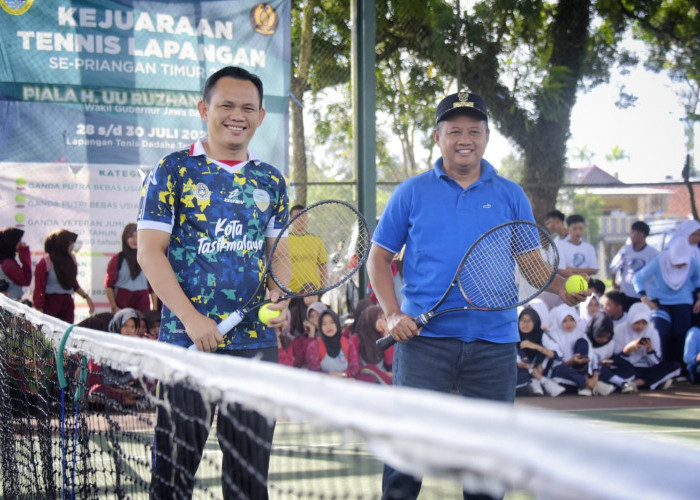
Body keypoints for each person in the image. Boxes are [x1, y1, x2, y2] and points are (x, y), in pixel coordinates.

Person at [366, 90, 587, 500]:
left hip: (494, 343)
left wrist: (561, 287)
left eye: (474, 130)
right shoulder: (411, 192)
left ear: (486, 137)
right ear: (438, 137)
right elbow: (377, 260)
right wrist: (393, 313)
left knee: (488, 458)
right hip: (423, 343)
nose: (464, 138)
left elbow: (531, 262)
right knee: (407, 453)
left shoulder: (510, 194)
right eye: (454, 131)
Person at [137, 66, 289, 499]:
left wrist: (280, 295)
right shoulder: (173, 170)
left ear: (260, 117)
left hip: (256, 347)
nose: (236, 115)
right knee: (172, 476)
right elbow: (150, 251)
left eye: (248, 108)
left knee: (248, 481)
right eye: (226, 105)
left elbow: (278, 255)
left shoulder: (271, 180)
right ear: (204, 109)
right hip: (187, 345)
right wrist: (191, 319)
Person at [632, 237, 700, 367]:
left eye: (682, 263)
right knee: (661, 332)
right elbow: (638, 278)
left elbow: (698, 278)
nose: (679, 266)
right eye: (677, 263)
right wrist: (644, 298)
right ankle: (662, 364)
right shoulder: (660, 261)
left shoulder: (692, 262)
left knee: (681, 333)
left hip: (683, 300)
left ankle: (680, 366)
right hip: (660, 301)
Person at [544, 304, 614, 396]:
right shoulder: (553, 335)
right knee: (561, 369)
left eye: (572, 320)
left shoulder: (580, 334)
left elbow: (592, 356)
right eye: (564, 321)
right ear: (559, 321)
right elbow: (555, 362)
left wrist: (595, 376)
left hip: (579, 369)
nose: (569, 323)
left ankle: (590, 383)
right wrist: (571, 361)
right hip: (562, 370)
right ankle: (588, 385)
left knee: (582, 342)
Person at [614, 303, 680, 390]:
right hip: (628, 368)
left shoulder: (652, 332)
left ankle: (635, 383)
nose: (640, 326)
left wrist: (650, 350)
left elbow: (657, 362)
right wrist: (628, 350)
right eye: (637, 322)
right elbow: (615, 359)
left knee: (674, 366)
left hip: (647, 368)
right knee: (617, 371)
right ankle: (655, 382)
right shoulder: (619, 330)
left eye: (644, 323)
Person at [33, 229, 94, 323]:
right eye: (69, 244)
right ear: (61, 244)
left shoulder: (71, 260)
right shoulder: (45, 262)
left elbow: (73, 282)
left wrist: (86, 298)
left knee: (66, 331)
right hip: (50, 303)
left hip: (67, 304)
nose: (72, 246)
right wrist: (39, 309)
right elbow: (39, 288)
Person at [104, 223, 157, 313]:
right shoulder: (117, 259)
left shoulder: (147, 259)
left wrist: (154, 309)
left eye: (138, 236)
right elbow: (109, 286)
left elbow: (153, 287)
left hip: (142, 302)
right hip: (122, 301)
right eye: (131, 236)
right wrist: (114, 307)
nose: (135, 240)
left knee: (142, 326)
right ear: (125, 238)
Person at [609, 221, 658, 310]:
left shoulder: (653, 253)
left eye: (632, 232)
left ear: (641, 234)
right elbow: (614, 267)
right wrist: (614, 284)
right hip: (626, 295)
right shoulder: (625, 250)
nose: (630, 235)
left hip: (645, 296)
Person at [515, 308, 565, 397]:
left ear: (535, 322)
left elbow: (556, 354)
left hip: (540, 367)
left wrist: (535, 346)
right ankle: (542, 381)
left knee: (544, 353)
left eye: (529, 321)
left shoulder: (541, 334)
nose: (525, 324)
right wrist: (527, 366)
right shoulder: (515, 335)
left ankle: (537, 381)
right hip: (520, 367)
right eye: (522, 320)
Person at [585, 311, 637, 393]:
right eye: (601, 336)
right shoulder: (585, 340)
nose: (604, 340)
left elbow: (610, 356)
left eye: (607, 337)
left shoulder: (610, 343)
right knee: (599, 369)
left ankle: (608, 384)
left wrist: (608, 361)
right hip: (588, 370)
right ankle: (622, 383)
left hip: (605, 370)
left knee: (626, 367)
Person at [306, 308, 360, 378]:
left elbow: (354, 368)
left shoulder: (348, 344)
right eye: (324, 324)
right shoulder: (314, 346)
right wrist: (330, 375)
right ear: (320, 327)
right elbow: (313, 371)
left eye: (332, 322)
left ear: (337, 323)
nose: (328, 327)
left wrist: (344, 374)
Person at [287, 204, 328, 292]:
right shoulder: (284, 241)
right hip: (290, 291)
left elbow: (323, 266)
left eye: (304, 216)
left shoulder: (317, 240)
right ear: (291, 219)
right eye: (297, 216)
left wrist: (322, 287)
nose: (301, 219)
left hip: (312, 291)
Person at [352, 305, 393, 385]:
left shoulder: (382, 337)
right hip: (365, 381)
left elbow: (389, 362)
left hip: (383, 380)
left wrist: (387, 337)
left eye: (385, 319)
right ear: (370, 318)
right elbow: (355, 367)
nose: (383, 322)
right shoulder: (356, 339)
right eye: (379, 318)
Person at [0, 227, 32, 300]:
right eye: (18, 240)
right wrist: (24, 252)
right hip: (11, 303)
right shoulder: (7, 263)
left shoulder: (4, 259)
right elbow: (26, 280)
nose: (21, 243)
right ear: (11, 242)